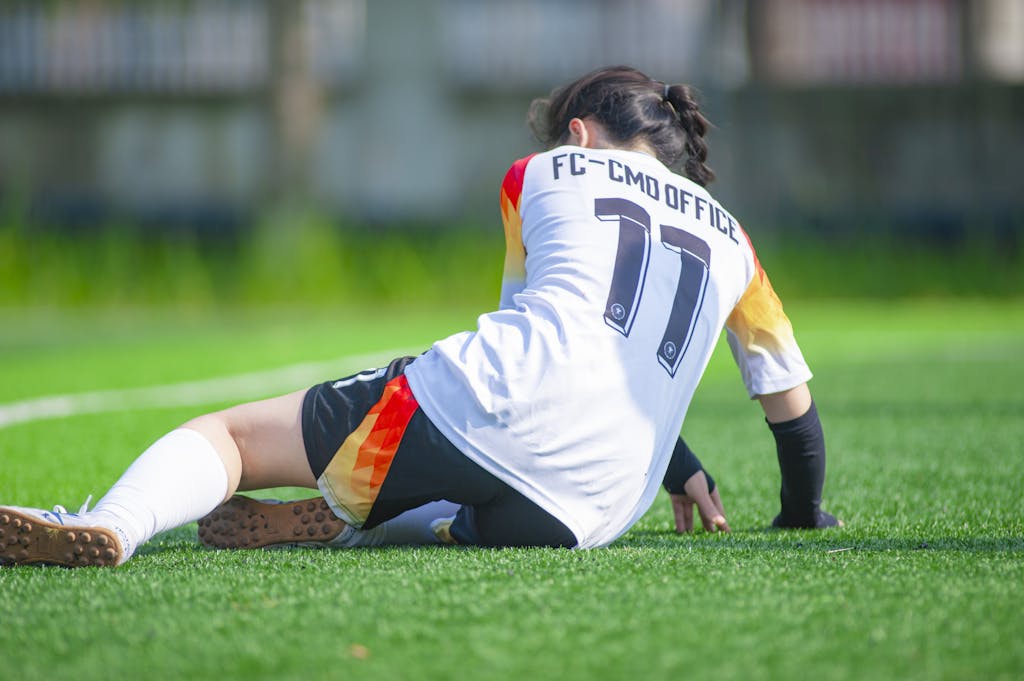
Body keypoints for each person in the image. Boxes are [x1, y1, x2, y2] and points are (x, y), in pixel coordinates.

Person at [0, 66, 838, 569]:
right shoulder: (735, 240)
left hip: (496, 408)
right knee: (463, 508)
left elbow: (546, 343)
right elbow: (790, 410)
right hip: (595, 510)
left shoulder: (543, 170)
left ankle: (109, 524)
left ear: (579, 132)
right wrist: (800, 511)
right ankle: (350, 519)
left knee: (232, 437)